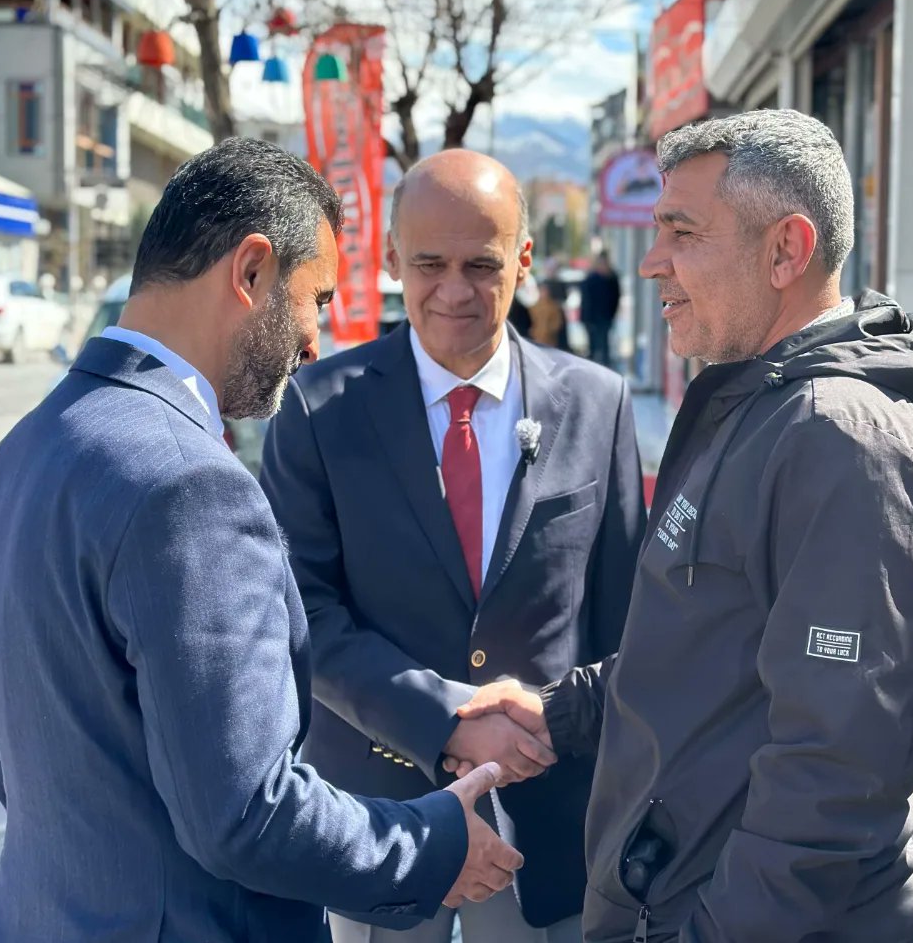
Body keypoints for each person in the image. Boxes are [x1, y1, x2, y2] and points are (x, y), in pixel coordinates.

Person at [0, 138, 522, 942]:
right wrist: (431, 844)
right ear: (251, 271)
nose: (316, 342)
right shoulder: (191, 485)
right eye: (316, 299)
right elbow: (245, 814)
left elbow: (23, 771)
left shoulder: (27, 448)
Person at [451, 110, 913, 942]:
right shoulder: (755, 400)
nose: (651, 261)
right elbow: (708, 648)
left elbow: (833, 771)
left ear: (785, 252)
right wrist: (565, 709)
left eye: (682, 233)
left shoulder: (837, 439)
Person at [260, 148, 644, 943]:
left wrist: (564, 730)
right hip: (383, 808)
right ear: (393, 258)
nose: (456, 290)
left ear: (525, 260)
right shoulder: (317, 408)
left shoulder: (597, 404)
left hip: (552, 812)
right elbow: (304, 616)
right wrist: (447, 721)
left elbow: (626, 622)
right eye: (430, 263)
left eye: (483, 263)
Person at [579, 250, 620, 366]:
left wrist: (611, 315)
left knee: (604, 345)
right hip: (591, 318)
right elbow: (586, 301)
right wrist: (586, 319)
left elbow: (616, 298)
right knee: (592, 347)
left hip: (605, 318)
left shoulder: (612, 278)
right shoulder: (591, 279)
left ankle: (605, 368)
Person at [527, 278, 569, 351]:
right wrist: (533, 330)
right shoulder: (534, 307)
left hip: (550, 340)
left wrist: (550, 330)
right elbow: (530, 321)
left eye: (545, 291)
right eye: (542, 290)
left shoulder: (554, 306)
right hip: (536, 338)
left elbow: (557, 322)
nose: (543, 293)